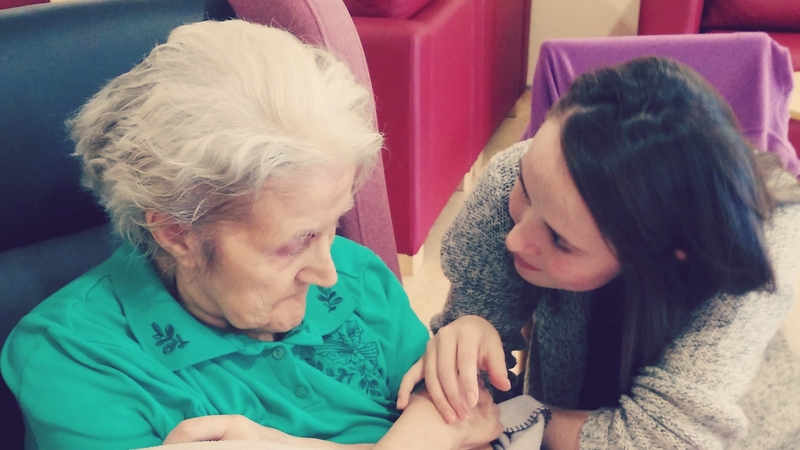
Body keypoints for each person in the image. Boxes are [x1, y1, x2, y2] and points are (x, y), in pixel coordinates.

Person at [0, 20, 501, 450]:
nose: (330, 271)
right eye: (297, 240)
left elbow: (472, 417)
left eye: (332, 225)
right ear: (178, 232)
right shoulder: (73, 359)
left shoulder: (357, 275)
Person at [397, 57, 800, 449]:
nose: (515, 240)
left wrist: (508, 415)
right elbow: (460, 389)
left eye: (560, 240)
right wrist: (466, 341)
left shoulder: (756, 247)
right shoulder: (522, 180)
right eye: (526, 187)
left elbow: (667, 439)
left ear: (662, 253)